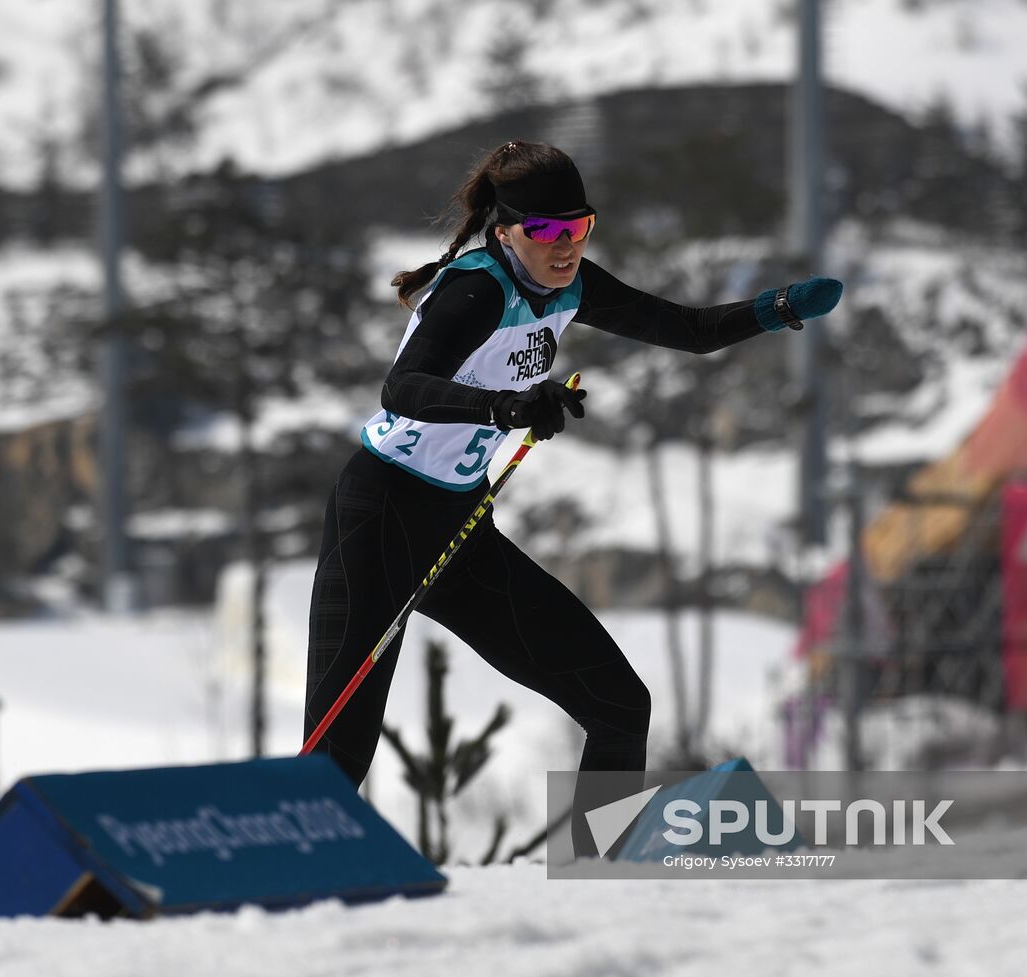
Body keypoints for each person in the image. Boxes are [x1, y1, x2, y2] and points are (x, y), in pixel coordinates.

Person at [303, 140, 840, 844]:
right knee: (337, 754)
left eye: (579, 227)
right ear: (506, 233)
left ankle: (599, 875)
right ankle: (267, 890)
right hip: (380, 516)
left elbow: (687, 330)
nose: (566, 246)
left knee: (619, 705)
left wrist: (777, 309)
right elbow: (401, 389)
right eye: (547, 230)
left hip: (459, 527)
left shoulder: (571, 285)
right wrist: (505, 406)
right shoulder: (476, 290)